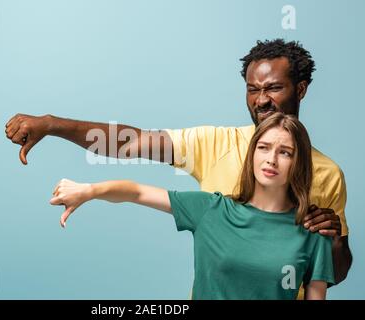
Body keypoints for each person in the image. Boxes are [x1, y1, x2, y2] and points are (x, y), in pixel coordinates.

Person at [5, 39, 352, 293]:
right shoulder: (214, 145)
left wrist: (334, 240)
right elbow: (131, 144)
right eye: (252, 89)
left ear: (301, 89)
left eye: (274, 88)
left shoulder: (327, 174)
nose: (262, 100)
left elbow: (332, 273)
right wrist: (52, 124)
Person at [49, 113, 334, 300]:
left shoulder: (312, 233)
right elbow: (135, 192)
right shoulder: (211, 209)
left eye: (285, 152)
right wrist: (88, 190)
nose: (271, 159)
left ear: (298, 163)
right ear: (252, 154)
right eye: (263, 147)